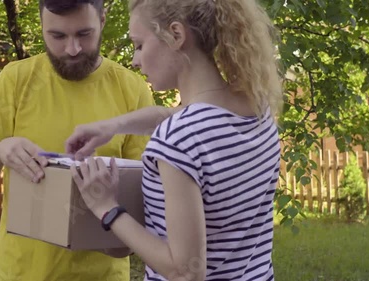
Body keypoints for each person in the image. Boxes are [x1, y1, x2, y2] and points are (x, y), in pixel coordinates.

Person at [65, 0, 283, 280]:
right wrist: (112, 126)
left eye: (140, 44)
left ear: (176, 36)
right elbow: (172, 115)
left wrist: (105, 208)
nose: (135, 60)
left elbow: (185, 272)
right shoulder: (255, 107)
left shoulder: (179, 138)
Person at [0, 0, 155, 280]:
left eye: (84, 34)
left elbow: (138, 214)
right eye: (58, 36)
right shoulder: (15, 80)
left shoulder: (132, 89)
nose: (72, 49)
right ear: (42, 28)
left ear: (102, 20)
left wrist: (108, 223)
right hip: (20, 274)